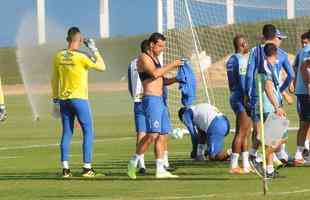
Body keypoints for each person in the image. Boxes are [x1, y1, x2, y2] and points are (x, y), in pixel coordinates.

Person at [51, 27, 106, 178]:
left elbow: (54, 79)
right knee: (88, 131)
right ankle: (87, 168)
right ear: (80, 40)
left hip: (63, 100)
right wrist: (94, 49)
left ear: (67, 39)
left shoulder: (58, 56)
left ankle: (65, 169)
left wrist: (55, 99)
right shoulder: (81, 57)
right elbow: (102, 67)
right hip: (79, 99)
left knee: (67, 133)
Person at [127, 32, 181, 179]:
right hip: (151, 100)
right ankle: (134, 161)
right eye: (160, 46)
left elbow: (161, 80)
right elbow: (155, 73)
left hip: (161, 100)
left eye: (163, 46)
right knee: (152, 134)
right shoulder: (144, 57)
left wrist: (176, 79)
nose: (162, 49)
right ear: (152, 44)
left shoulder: (156, 59)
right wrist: (173, 64)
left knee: (163, 135)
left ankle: (160, 169)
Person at [245, 24, 293, 170]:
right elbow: (290, 75)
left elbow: (249, 74)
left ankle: (255, 155)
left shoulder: (255, 51)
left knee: (261, 130)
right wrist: (281, 91)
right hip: (270, 98)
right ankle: (266, 163)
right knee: (273, 134)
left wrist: (247, 94)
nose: (280, 41)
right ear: (274, 37)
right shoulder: (280, 54)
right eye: (279, 38)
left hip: (257, 95)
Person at [226, 34, 252, 174]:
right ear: (242, 44)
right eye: (246, 43)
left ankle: (246, 164)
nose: (248, 45)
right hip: (242, 97)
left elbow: (231, 82)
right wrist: (247, 97)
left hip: (234, 95)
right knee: (241, 132)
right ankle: (234, 165)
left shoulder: (231, 59)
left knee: (246, 132)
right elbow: (243, 81)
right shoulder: (241, 60)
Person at [127, 39, 149, 174]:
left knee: (141, 132)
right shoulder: (150, 62)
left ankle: (141, 164)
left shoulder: (132, 63)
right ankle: (162, 162)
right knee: (158, 132)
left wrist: (134, 96)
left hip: (137, 100)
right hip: (150, 99)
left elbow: (130, 84)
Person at [294, 30, 310, 165]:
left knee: (305, 124)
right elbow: (305, 69)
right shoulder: (307, 51)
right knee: (304, 123)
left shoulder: (302, 51)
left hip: (303, 91)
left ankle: (301, 153)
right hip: (306, 92)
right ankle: (299, 154)